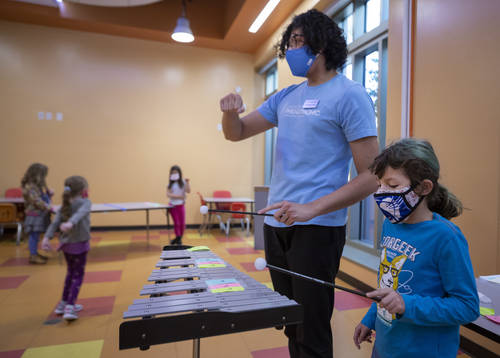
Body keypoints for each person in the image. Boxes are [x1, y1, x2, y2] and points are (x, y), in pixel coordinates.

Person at [220, 9, 379, 358]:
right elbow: (237, 133)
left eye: (297, 40)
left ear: (321, 44)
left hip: (318, 229)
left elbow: (372, 175)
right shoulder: (286, 97)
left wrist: (311, 208)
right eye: (289, 42)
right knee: (291, 321)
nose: (291, 49)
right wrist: (229, 113)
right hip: (277, 226)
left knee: (312, 329)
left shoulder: (350, 96)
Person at [353, 138, 479, 358]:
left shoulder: (446, 238)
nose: (382, 193)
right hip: (385, 347)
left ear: (424, 187)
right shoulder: (390, 225)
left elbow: (467, 307)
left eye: (392, 186)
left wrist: (406, 304)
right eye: (380, 184)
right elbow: (388, 284)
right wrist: (371, 317)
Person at [42, 176, 91, 321]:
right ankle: (70, 306)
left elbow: (54, 222)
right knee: (78, 275)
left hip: (66, 246)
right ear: (83, 190)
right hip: (79, 245)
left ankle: (63, 303)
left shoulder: (63, 205)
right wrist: (70, 223)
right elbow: (80, 213)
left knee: (70, 273)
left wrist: (46, 237)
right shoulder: (86, 202)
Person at [21, 163, 54, 264]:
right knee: (34, 236)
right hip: (34, 215)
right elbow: (36, 201)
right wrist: (49, 207)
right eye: (43, 175)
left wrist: (49, 195)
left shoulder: (36, 186)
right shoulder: (30, 187)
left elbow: (42, 198)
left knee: (36, 236)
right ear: (37, 175)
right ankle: (33, 256)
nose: (44, 177)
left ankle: (34, 253)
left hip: (39, 214)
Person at [167, 165, 190, 245]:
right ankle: (178, 238)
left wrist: (187, 183)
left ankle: (178, 238)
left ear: (179, 173)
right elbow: (168, 194)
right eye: (173, 173)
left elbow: (188, 191)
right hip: (172, 206)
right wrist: (180, 197)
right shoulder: (170, 184)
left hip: (181, 205)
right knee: (176, 223)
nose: (174, 174)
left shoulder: (183, 182)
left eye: (176, 172)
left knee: (182, 223)